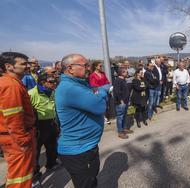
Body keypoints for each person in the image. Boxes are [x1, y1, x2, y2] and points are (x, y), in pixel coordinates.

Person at [55, 54, 107, 188]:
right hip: (79, 151)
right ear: (70, 68)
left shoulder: (76, 84)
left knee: (91, 180)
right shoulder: (70, 88)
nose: (88, 68)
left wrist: (97, 92)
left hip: (86, 147)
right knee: (86, 184)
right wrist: (103, 91)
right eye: (85, 65)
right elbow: (99, 106)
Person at [0, 52, 36, 188]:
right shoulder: (11, 85)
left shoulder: (10, 83)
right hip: (16, 138)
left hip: (12, 136)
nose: (27, 66)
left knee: (19, 174)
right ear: (9, 66)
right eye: (23, 64)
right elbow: (13, 116)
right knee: (20, 176)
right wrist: (23, 140)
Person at [28, 73, 59, 178]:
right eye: (51, 81)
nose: (54, 83)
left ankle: (51, 164)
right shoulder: (32, 93)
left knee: (52, 146)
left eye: (55, 81)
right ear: (43, 82)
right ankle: (35, 172)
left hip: (51, 122)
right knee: (36, 150)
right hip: (38, 125)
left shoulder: (53, 92)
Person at [113, 68, 134, 139]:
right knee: (120, 117)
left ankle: (124, 128)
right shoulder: (117, 81)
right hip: (120, 103)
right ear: (122, 73)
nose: (127, 73)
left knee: (124, 116)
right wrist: (121, 100)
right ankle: (120, 132)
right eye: (126, 72)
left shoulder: (123, 80)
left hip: (125, 101)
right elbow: (117, 92)